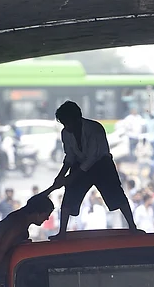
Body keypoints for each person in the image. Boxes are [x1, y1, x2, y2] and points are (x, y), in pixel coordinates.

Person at [49, 101, 138, 235]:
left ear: (77, 118)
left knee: (116, 194)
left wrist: (71, 177)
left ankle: (132, 227)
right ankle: (62, 233)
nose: (66, 127)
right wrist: (61, 176)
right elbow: (70, 156)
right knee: (69, 196)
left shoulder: (94, 129)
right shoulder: (66, 133)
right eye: (64, 124)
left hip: (102, 165)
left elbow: (92, 158)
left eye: (68, 123)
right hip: (79, 163)